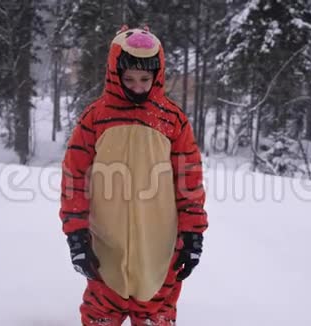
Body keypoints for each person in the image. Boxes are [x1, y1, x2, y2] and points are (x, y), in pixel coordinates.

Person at [59, 25, 208, 326]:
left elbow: (189, 180)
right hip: (105, 245)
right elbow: (75, 177)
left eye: (144, 79)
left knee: (157, 312)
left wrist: (193, 236)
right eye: (128, 79)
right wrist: (76, 235)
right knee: (100, 310)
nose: (137, 86)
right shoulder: (95, 118)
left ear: (157, 75)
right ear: (115, 74)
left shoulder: (172, 120)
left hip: (160, 245)